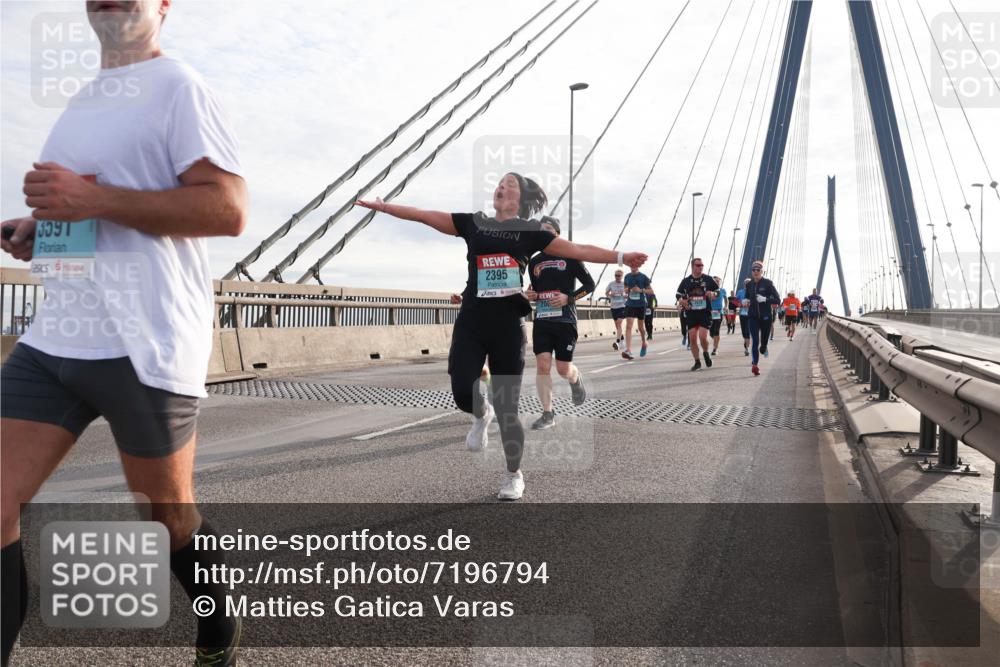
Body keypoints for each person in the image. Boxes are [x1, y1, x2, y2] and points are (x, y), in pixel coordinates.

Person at [1, 3, 247, 665]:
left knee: (167, 519)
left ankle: (220, 626)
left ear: (165, 5)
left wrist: (94, 201)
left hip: (147, 341)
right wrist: (39, 231)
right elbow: (86, 215)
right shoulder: (80, 102)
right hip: (57, 335)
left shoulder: (181, 89)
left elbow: (227, 208)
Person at [356, 173, 646, 501]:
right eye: (499, 182)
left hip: (508, 326)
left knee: (507, 408)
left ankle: (513, 475)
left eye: (509, 183)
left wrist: (622, 257)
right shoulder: (474, 223)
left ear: (519, 198)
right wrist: (383, 207)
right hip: (472, 322)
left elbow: (578, 248)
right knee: (462, 392)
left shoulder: (532, 232)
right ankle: (481, 414)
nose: (500, 186)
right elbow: (424, 215)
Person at [525, 218, 594, 430]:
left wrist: (569, 298)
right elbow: (535, 289)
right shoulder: (534, 261)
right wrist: (531, 294)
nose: (543, 233)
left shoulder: (571, 256)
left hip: (565, 320)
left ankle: (575, 379)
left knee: (563, 369)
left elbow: (589, 285)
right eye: (540, 231)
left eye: (548, 230)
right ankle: (548, 413)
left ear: (557, 233)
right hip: (543, 321)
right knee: (543, 366)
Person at [676, 258, 719, 371]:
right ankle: (697, 362)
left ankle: (705, 353)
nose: (700, 267)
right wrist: (682, 301)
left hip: (704, 312)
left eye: (702, 265)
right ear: (693, 266)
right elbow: (678, 294)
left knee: (703, 337)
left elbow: (718, 291)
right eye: (698, 265)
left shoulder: (708, 279)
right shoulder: (686, 281)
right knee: (693, 338)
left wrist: (713, 293)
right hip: (691, 313)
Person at [745, 261, 781, 376]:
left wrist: (765, 299)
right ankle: (755, 365)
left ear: (762, 271)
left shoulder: (768, 283)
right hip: (753, 316)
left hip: (766, 317)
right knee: (755, 340)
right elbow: (747, 296)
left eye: (758, 270)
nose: (755, 272)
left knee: (763, 343)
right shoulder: (749, 284)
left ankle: (764, 346)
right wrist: (745, 301)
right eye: (753, 270)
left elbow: (777, 300)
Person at [622, 265, 653, 360]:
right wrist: (628, 290)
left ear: (638, 266)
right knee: (628, 326)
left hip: (641, 305)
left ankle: (644, 343)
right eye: (631, 265)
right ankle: (628, 350)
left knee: (641, 328)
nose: (633, 267)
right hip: (630, 304)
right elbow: (625, 289)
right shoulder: (627, 276)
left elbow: (651, 291)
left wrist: (640, 290)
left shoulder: (643, 277)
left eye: (634, 265)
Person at [605, 269, 627, 350]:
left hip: (622, 306)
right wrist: (611, 294)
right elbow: (606, 293)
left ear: (622, 276)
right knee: (617, 326)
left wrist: (625, 295)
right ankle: (622, 341)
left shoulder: (625, 284)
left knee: (619, 323)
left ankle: (617, 342)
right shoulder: (611, 284)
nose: (617, 277)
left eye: (619, 275)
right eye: (616, 275)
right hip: (614, 307)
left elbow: (629, 294)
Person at [708, 275, 726, 355]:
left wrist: (726, 306)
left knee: (716, 331)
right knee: (711, 333)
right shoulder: (709, 291)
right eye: (715, 281)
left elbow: (726, 299)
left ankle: (715, 349)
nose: (716, 282)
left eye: (718, 281)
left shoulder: (722, 290)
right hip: (710, 312)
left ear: (720, 283)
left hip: (719, 312)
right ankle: (716, 339)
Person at [735, 278, 752, 356]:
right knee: (744, 332)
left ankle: (747, 349)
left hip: (751, 314)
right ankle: (746, 343)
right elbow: (735, 300)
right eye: (746, 283)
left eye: (749, 283)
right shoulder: (740, 292)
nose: (747, 284)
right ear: (744, 284)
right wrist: (739, 304)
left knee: (747, 331)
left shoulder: (753, 292)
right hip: (742, 314)